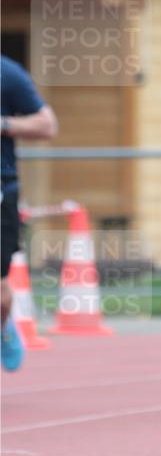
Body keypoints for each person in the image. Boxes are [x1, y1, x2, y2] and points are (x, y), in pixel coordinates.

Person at [1, 55, 58, 371]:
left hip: (1, 189)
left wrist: (3, 124)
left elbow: (47, 124)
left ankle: (3, 326)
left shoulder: (7, 73)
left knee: (0, 295)